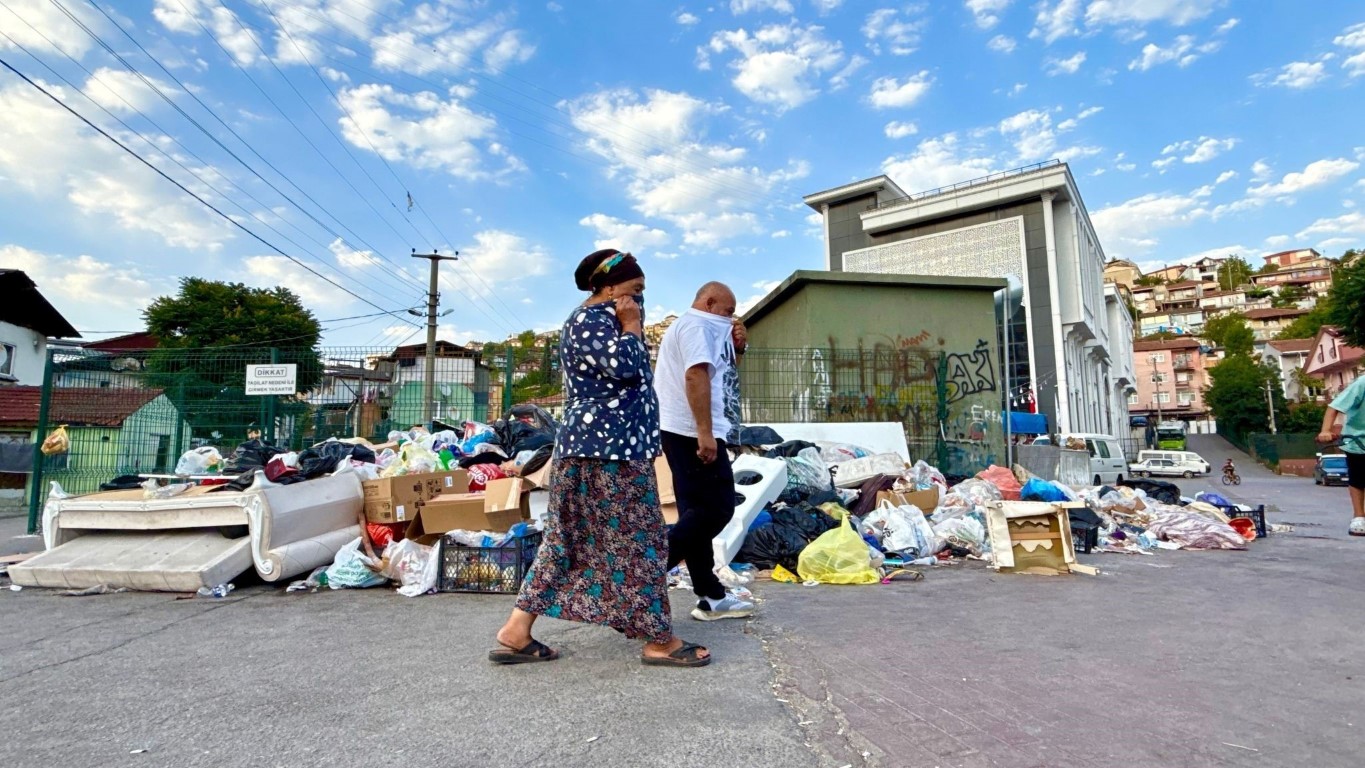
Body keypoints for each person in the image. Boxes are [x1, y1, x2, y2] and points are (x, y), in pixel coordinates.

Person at [490, 249, 711, 667]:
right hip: (608, 454)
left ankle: (515, 632)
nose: (639, 299)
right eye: (635, 289)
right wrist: (631, 326)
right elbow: (627, 368)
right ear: (609, 287)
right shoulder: (589, 321)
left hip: (598, 452)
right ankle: (659, 640)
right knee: (641, 541)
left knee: (567, 541)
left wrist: (629, 323)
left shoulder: (602, 320)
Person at [655, 282, 756, 622]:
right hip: (691, 431)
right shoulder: (697, 325)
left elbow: (722, 378)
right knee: (718, 509)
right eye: (728, 312)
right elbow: (696, 376)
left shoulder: (700, 328)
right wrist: (705, 433)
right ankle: (642, 578)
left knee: (695, 513)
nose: (731, 318)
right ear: (710, 302)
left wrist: (737, 348)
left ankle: (710, 596)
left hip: (685, 430)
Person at [1317, 375, 1365, 536]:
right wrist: (1325, 430)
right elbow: (1334, 407)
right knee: (1358, 478)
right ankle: (1359, 516)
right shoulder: (1362, 383)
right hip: (1359, 439)